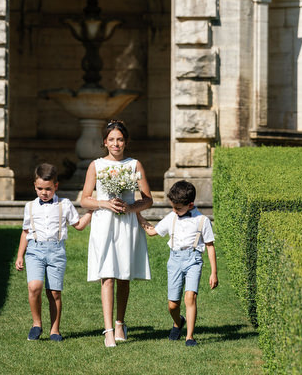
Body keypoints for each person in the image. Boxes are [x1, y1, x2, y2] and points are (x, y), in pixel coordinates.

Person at [80, 119, 153, 348]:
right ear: (105, 142)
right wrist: (104, 203)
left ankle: (120, 322)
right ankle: (108, 330)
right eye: (111, 139)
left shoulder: (134, 165)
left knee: (123, 275)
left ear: (126, 141)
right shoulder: (96, 165)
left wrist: (131, 208)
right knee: (108, 275)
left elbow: (148, 199)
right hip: (104, 223)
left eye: (120, 139)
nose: (116, 143)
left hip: (126, 223)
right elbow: (84, 199)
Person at [15, 163, 92, 342]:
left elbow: (78, 225)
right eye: (40, 188)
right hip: (34, 250)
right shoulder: (30, 206)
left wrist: (91, 212)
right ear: (34, 186)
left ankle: (55, 330)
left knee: (54, 292)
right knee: (34, 287)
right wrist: (20, 255)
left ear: (55, 186)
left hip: (56, 251)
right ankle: (36, 324)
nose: (44, 192)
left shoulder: (64, 205)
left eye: (48, 189)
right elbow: (26, 231)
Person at [138, 179, 218, 346]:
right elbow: (153, 232)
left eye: (178, 208)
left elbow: (210, 246)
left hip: (194, 260)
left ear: (190, 205)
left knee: (190, 298)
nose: (174, 210)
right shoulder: (172, 217)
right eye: (173, 207)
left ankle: (190, 337)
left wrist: (213, 272)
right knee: (173, 305)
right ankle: (177, 322)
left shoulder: (203, 221)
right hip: (174, 260)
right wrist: (137, 215)